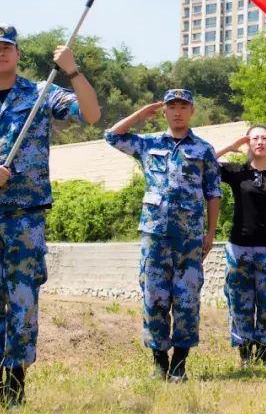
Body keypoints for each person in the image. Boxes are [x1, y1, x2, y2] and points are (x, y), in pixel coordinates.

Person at [0, 25, 101, 406]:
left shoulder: (41, 94)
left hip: (25, 220)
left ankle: (15, 386)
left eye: (6, 48)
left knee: (22, 301)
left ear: (17, 55)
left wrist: (73, 71)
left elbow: (92, 114)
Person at [105, 89, 222, 381]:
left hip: (189, 238)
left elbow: (213, 193)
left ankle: (180, 363)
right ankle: (159, 362)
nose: (178, 112)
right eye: (172, 107)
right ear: (165, 111)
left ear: (192, 111)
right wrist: (140, 114)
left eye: (183, 107)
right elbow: (112, 136)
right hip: (155, 237)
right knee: (154, 299)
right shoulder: (149, 144)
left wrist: (210, 233)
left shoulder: (204, 150)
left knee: (186, 300)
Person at [215, 125, 266, 366]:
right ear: (248, 143)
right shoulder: (236, 171)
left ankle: (263, 354)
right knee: (240, 303)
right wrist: (230, 147)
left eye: (265, 138)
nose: (259, 142)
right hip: (239, 247)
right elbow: (203, 162)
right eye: (254, 138)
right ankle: (245, 355)